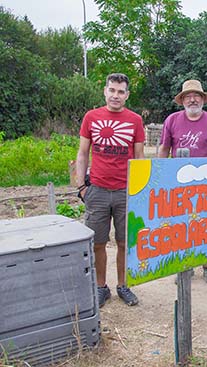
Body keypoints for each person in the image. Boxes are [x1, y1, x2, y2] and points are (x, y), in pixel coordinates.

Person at [76, 73, 145, 308]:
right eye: (112, 90)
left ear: (127, 95)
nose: (116, 95)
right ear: (105, 91)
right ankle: (100, 287)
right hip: (97, 190)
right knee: (98, 242)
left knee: (125, 242)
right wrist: (81, 186)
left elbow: (139, 157)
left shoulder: (135, 120)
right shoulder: (91, 117)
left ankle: (123, 286)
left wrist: (139, 190)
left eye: (121, 91)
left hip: (126, 191)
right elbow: (83, 153)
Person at [158, 79, 207, 283]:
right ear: (182, 100)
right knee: (180, 225)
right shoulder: (172, 120)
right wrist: (161, 175)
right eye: (188, 96)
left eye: (197, 95)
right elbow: (163, 149)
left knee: (206, 223)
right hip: (179, 183)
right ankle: (184, 266)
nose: (193, 99)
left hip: (206, 183)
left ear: (203, 99)